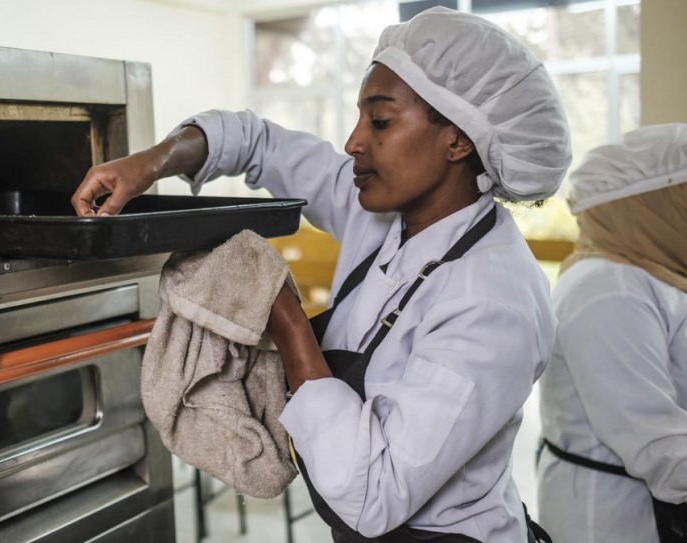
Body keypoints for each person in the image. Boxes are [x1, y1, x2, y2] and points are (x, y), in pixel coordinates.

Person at [72, 7, 570, 542]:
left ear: (458, 140)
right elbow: (256, 142)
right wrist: (150, 162)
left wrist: (285, 317)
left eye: (380, 121)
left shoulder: (493, 300)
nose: (354, 141)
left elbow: (374, 495)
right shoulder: (382, 215)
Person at [537, 124, 687, 543]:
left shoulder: (656, 275)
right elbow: (655, 443)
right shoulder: (608, 288)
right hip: (611, 520)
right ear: (647, 205)